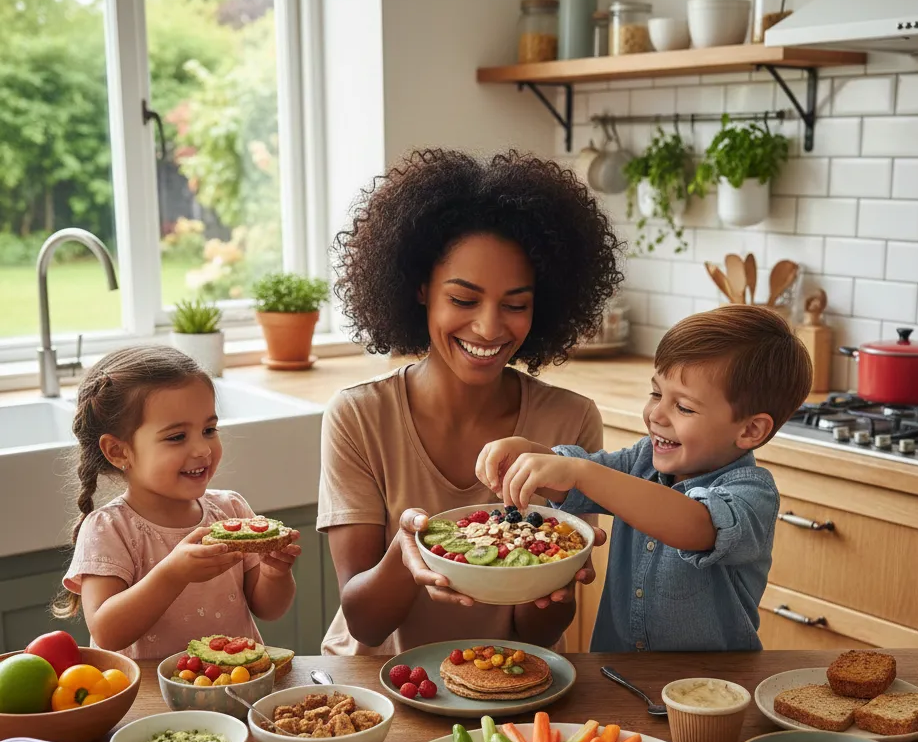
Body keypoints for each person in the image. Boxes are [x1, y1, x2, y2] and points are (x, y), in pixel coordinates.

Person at [318, 148, 623, 654]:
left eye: (516, 304)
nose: (488, 327)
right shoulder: (359, 415)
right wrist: (407, 551)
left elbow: (543, 633)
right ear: (420, 289)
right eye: (463, 300)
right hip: (382, 694)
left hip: (518, 685)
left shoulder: (570, 419)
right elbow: (365, 625)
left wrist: (554, 574)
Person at [476, 304, 812, 652]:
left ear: (750, 429)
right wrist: (530, 455)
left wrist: (583, 472)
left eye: (684, 407)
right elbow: (572, 479)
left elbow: (696, 525)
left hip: (710, 691)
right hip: (617, 677)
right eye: (656, 393)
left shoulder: (752, 493)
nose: (656, 415)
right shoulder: (642, 460)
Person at [56, 346, 300, 659]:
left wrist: (275, 574)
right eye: (176, 437)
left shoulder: (231, 511)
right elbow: (107, 631)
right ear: (119, 452)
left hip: (231, 689)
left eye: (208, 430)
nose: (202, 449)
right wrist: (173, 573)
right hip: (151, 701)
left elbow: (269, 608)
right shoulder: (110, 529)